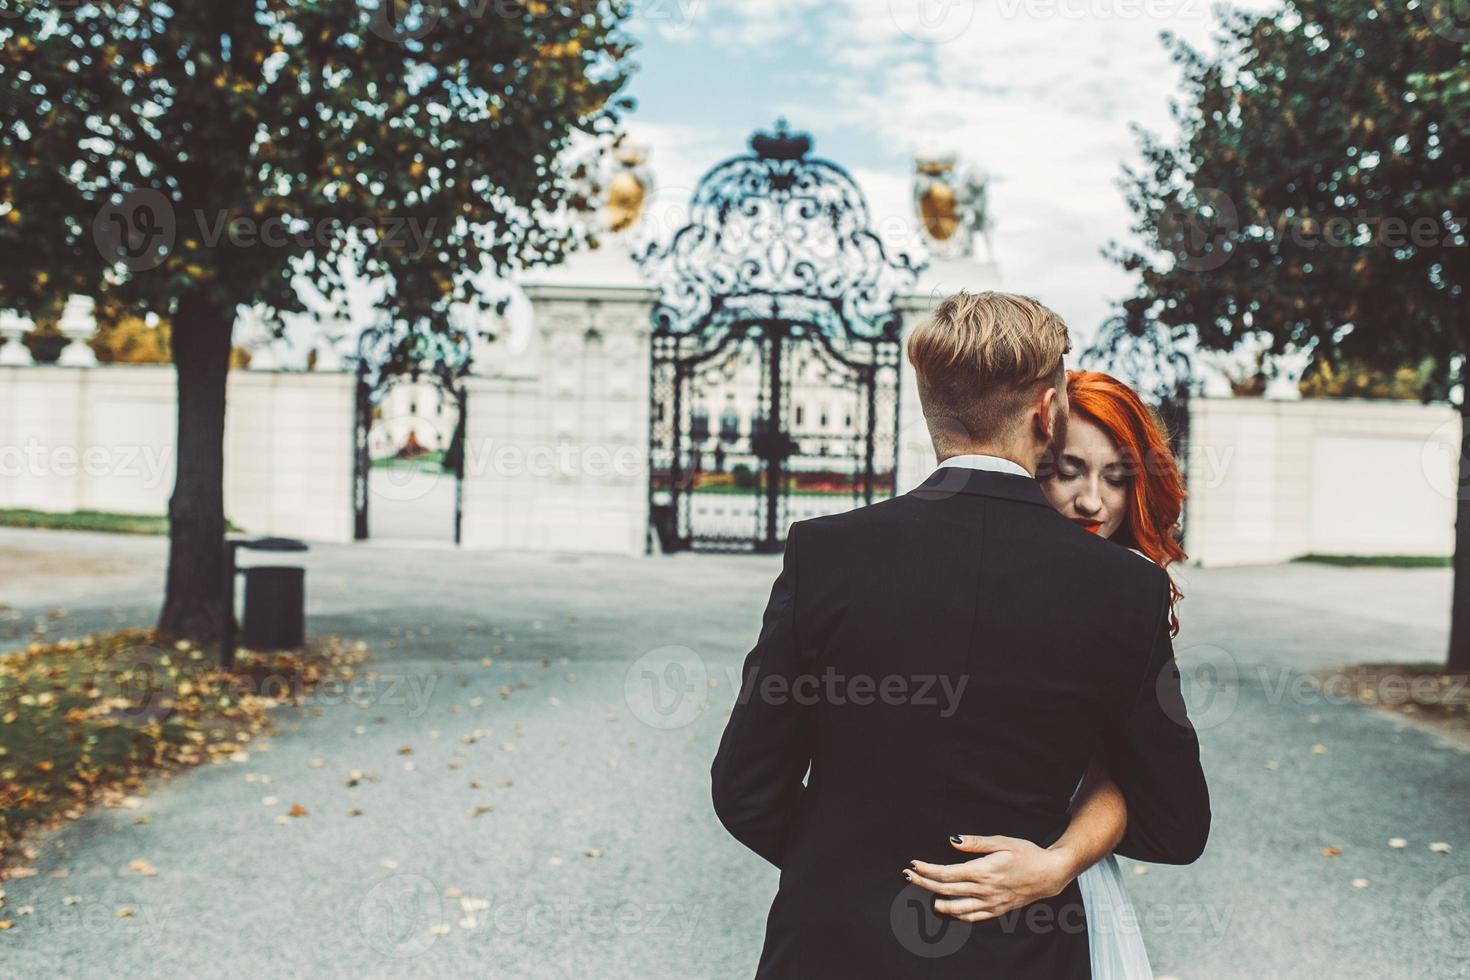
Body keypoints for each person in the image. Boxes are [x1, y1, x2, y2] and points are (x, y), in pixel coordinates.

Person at [710, 291, 1210, 979]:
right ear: (1047, 410)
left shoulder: (825, 553)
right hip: (1025, 951)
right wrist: (1049, 866)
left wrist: (858, 876)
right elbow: (1177, 820)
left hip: (833, 949)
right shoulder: (1125, 587)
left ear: (927, 408)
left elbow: (745, 789)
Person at [900, 368, 1191, 979]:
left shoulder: (1129, 595)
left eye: (1117, 478)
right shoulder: (944, 569)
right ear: (1031, 461)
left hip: (1055, 886)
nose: (1093, 502)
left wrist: (1057, 865)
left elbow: (1127, 776)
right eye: (1069, 471)